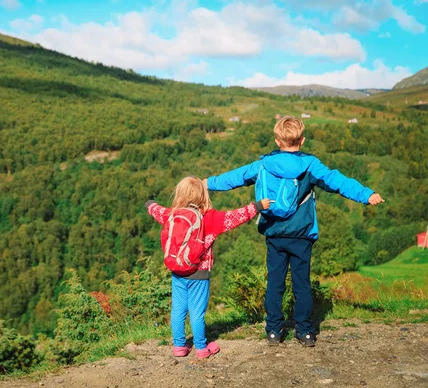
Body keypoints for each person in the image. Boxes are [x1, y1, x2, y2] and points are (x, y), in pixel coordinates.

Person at [205, 116, 384, 347]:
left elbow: (235, 178)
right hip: (301, 235)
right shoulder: (310, 165)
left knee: (275, 284)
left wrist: (206, 182)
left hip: (274, 233)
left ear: (277, 140)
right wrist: (365, 194)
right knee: (301, 284)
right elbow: (337, 181)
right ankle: (305, 332)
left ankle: (273, 331)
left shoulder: (263, 164)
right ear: (302, 140)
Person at [146, 176, 270, 358]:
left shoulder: (172, 214)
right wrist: (258, 206)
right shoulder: (210, 218)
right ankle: (201, 348)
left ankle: (179, 346)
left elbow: (157, 211)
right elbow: (236, 217)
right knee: (197, 312)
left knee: (178, 310)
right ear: (203, 196)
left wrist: (149, 204)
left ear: (179, 194)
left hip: (178, 271)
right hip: (199, 273)